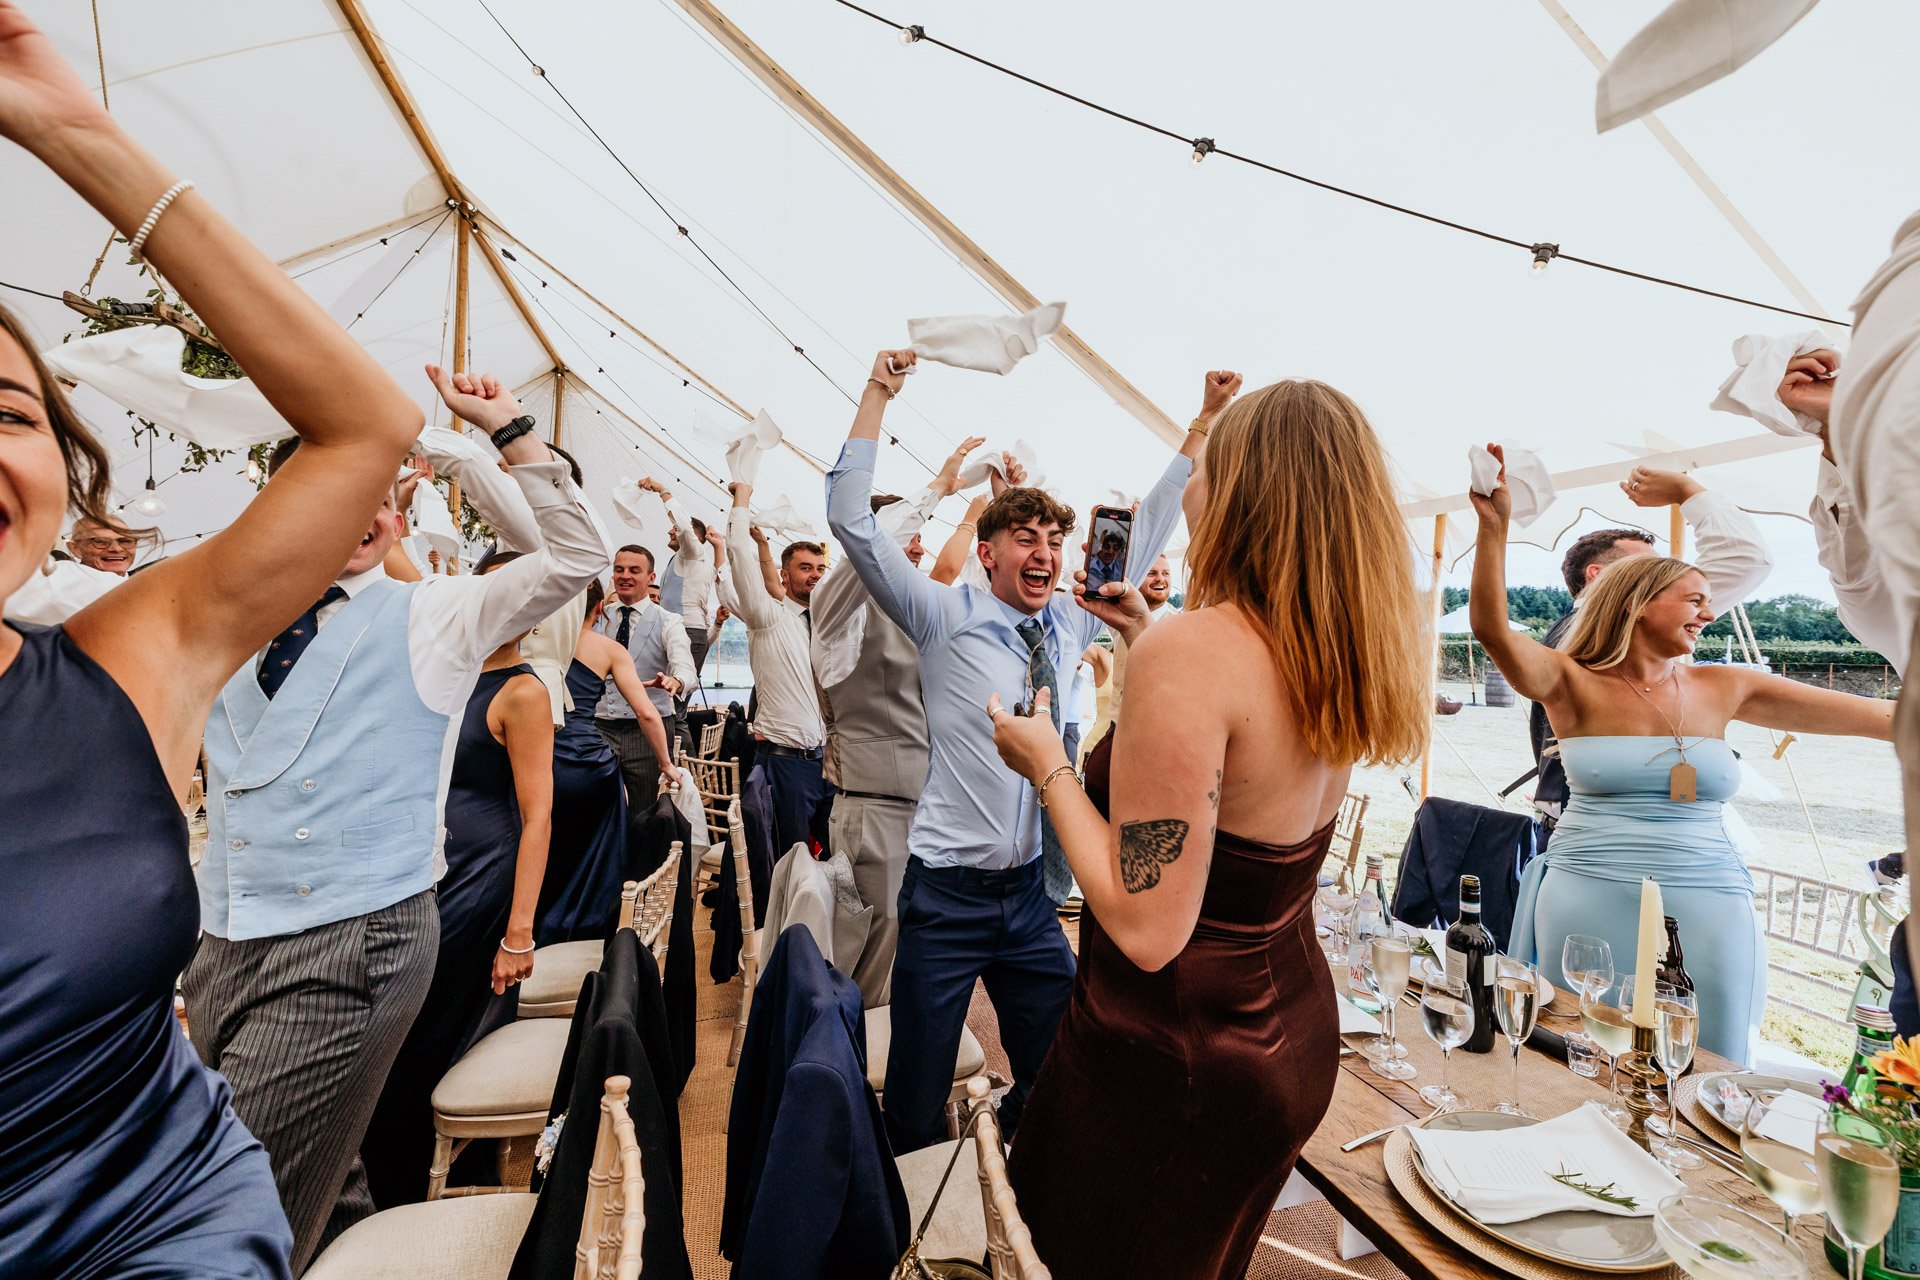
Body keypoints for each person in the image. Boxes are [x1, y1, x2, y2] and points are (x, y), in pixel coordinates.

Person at [0, 8, 426, 1272]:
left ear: (66, 481)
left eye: (8, 409)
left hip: (167, 1211)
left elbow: (366, 428)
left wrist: (70, 129)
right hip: (237, 935)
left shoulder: (127, 658)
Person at [984, 377, 1430, 1279]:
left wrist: (1049, 766)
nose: (1188, 489)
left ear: (1237, 489)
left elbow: (1147, 925)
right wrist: (1151, 638)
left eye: (1205, 464)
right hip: (1289, 1037)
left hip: (1170, 1057)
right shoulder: (1335, 644)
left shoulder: (1195, 652)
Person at [184, 366, 605, 1270]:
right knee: (320, 1170)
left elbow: (573, 557)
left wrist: (507, 431)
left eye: (383, 500)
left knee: (228, 1198)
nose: (366, 515)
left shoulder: (437, 616)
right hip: (222, 941)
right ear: (278, 503)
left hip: (354, 944)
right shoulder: (220, 611)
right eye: (339, 492)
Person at [826, 350, 1208, 1155]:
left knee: (1068, 1060)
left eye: (1055, 540)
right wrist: (877, 395)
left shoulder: (1068, 622)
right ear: (990, 550)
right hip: (944, 898)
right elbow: (851, 522)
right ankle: (907, 1230)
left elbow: (1144, 541)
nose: (1045, 552)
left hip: (1029, 898)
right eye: (1026, 537)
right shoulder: (940, 615)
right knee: (917, 1096)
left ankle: (1022, 1160)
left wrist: (1198, 428)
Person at [1473, 445, 1893, 1064]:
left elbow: (1886, 720)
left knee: (1707, 1060)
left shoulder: (1727, 685)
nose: (1710, 612)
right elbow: (1492, 629)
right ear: (1639, 602)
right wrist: (1493, 530)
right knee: (1583, 1052)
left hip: (1709, 897)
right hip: (1588, 890)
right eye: (1694, 599)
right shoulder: (1569, 681)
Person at [360, 549, 556, 1207]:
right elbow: (403, 568)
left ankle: (411, 1189)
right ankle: (399, 1178)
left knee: (422, 1033)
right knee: (403, 1027)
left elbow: (539, 817)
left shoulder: (522, 691)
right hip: (424, 864)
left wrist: (520, 933)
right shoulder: (448, 666)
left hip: (481, 875)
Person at [809, 436, 985, 1007]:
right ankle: (852, 1080)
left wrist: (987, 509)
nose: (912, 549)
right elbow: (868, 544)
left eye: (915, 540)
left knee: (916, 952)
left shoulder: (918, 609)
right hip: (873, 810)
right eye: (904, 537)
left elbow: (965, 578)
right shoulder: (835, 610)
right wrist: (939, 488)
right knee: (870, 959)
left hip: (929, 812)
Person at [1522, 467, 1772, 823]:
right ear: (1598, 575)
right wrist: (1687, 490)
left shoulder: (1579, 630)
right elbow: (1746, 559)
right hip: (1606, 830)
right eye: (1646, 570)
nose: (1663, 579)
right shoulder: (1608, 626)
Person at [537, 580, 681, 943]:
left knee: (545, 845)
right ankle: (591, 935)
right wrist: (666, 763)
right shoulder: (608, 649)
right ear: (599, 608)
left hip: (540, 759)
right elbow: (648, 714)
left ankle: (539, 929)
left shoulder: (531, 645)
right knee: (599, 855)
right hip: (590, 767)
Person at [719, 488, 833, 855]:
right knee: (792, 862)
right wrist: (742, 501)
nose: (815, 576)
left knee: (844, 858)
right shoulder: (767, 617)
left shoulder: (827, 626)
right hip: (785, 765)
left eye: (820, 569)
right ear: (785, 576)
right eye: (805, 569)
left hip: (829, 764)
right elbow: (739, 557)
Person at [592, 544, 695, 807]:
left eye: (634, 570)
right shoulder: (596, 618)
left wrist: (676, 680)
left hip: (648, 731)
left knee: (644, 806)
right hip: (600, 725)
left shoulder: (669, 620)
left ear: (650, 577)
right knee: (600, 803)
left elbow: (686, 668)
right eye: (619, 570)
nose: (625, 575)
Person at [636, 477, 714, 747]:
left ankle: (688, 773)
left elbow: (682, 526)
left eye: (674, 530)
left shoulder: (693, 553)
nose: (670, 532)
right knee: (674, 707)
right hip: (690, 632)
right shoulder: (684, 561)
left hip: (687, 633)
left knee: (676, 709)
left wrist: (662, 490)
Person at [67, 510, 148, 573]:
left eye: (125, 541)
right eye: (101, 542)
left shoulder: (147, 584)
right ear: (75, 549)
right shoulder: (61, 586)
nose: (117, 549)